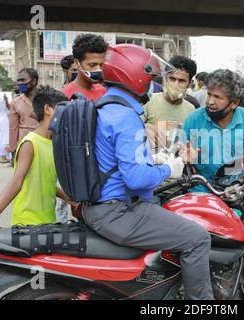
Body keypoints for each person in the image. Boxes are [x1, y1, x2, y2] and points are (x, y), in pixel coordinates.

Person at [81, 44, 213, 300]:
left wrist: (151, 159)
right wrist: (168, 168)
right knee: (197, 238)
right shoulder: (125, 117)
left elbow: (115, 161)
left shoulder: (107, 108)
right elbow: (136, 178)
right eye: (149, 79)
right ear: (135, 77)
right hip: (119, 211)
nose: (150, 86)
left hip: (102, 205)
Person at [0, 86, 77, 228]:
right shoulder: (30, 143)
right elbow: (16, 182)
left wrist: (66, 197)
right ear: (48, 109)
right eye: (63, 109)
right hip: (27, 222)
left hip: (48, 220)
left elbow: (44, 182)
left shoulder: (53, 143)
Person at [182, 69, 244, 193]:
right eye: (210, 94)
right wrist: (186, 159)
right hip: (202, 189)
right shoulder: (193, 119)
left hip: (238, 188)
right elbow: (182, 153)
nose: (210, 101)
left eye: (217, 97)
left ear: (234, 103)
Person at [142, 55, 197, 151]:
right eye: (172, 79)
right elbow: (131, 128)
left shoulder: (191, 109)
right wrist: (147, 127)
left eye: (181, 81)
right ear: (166, 78)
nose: (176, 84)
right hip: (151, 162)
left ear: (189, 83)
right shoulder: (149, 101)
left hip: (178, 163)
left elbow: (191, 141)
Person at [61, 33, 108, 101]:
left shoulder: (104, 92)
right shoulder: (65, 96)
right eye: (92, 65)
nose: (98, 69)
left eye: (101, 65)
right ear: (77, 63)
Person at [8, 68, 39, 158]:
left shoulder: (45, 98)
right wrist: (13, 149)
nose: (20, 83)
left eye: (23, 80)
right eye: (18, 80)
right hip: (24, 145)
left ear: (33, 81)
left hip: (44, 143)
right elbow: (13, 128)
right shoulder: (15, 102)